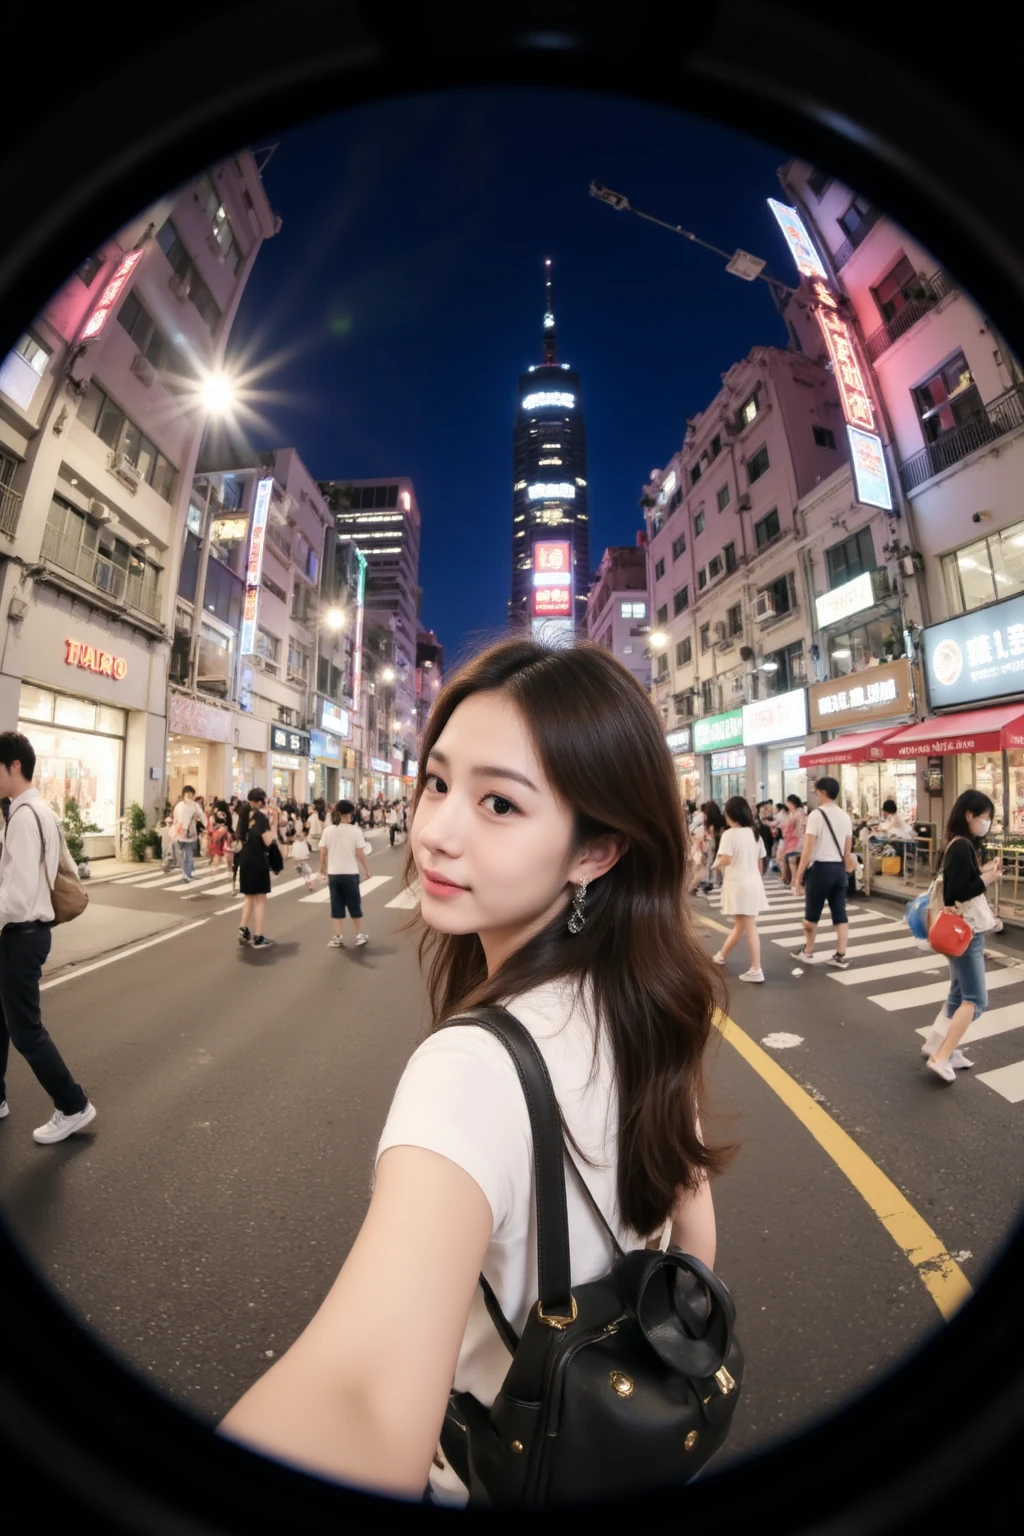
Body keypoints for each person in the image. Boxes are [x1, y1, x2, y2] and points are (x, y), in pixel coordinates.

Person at [219, 636, 728, 1501]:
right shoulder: (640, 1008)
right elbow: (698, 1240)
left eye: (499, 803)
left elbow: (366, 1399)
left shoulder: (471, 1070)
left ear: (595, 851)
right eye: (439, 783)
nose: (434, 831)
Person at [0, 731, 97, 1145]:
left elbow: (16, 896)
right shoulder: (41, 810)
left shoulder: (23, 817)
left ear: (14, 766)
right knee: (1, 1017)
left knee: (26, 1031)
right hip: (29, 933)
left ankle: (73, 1105)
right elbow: (63, 867)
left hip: (20, 934)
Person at [922, 790, 1001, 1084]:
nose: (987, 823)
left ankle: (938, 1044)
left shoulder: (959, 845)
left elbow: (960, 883)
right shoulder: (961, 846)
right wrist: (987, 878)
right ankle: (941, 1056)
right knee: (976, 1000)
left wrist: (982, 873)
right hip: (965, 931)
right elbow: (959, 892)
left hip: (958, 930)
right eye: (985, 817)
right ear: (969, 815)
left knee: (957, 992)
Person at [792, 777, 854, 968]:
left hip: (821, 869)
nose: (816, 795)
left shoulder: (816, 815)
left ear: (824, 792)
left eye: (817, 792)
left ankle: (808, 950)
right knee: (840, 912)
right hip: (838, 869)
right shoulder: (845, 816)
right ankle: (841, 955)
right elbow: (847, 849)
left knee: (811, 914)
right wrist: (844, 869)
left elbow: (808, 848)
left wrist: (798, 875)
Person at [711, 796, 768, 982]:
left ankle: (756, 968)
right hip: (752, 883)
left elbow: (726, 860)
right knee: (741, 923)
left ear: (730, 814)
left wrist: (716, 863)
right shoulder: (754, 833)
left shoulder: (730, 835)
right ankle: (721, 955)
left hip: (738, 884)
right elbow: (761, 860)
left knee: (748, 925)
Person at [319, 800, 372, 948]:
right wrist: (367, 870)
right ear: (350, 814)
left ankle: (337, 936)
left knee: (336, 905)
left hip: (334, 873)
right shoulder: (355, 830)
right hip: (350, 873)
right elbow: (360, 853)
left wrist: (321, 869)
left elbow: (323, 852)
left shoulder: (328, 830)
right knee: (354, 904)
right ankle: (359, 934)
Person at [235, 789, 278, 950]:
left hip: (245, 859)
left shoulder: (243, 814)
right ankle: (258, 937)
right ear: (261, 801)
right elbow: (268, 841)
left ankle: (243, 928)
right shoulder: (260, 818)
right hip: (258, 860)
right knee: (260, 900)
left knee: (248, 898)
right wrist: (273, 823)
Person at [172, 785, 201, 883]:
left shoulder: (195, 806)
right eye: (187, 793)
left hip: (189, 835)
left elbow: (200, 817)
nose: (189, 796)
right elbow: (175, 818)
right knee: (183, 854)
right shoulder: (179, 806)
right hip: (180, 834)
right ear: (184, 794)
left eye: (191, 794)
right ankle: (188, 871)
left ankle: (187, 874)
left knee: (187, 855)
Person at [779, 793, 806, 887]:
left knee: (792, 860)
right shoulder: (798, 812)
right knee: (791, 860)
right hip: (796, 839)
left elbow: (791, 826)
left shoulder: (797, 813)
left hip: (796, 840)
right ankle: (793, 879)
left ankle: (794, 880)